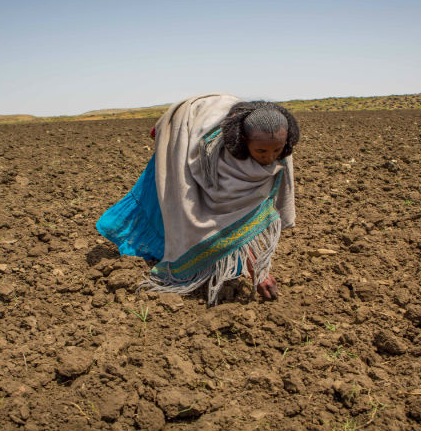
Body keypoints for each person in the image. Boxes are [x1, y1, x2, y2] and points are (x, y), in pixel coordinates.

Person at [96, 94, 299, 304]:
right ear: (244, 140)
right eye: (261, 151)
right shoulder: (217, 157)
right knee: (176, 201)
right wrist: (257, 270)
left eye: (277, 150)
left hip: (214, 116)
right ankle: (166, 247)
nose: (269, 158)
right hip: (187, 134)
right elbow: (224, 215)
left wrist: (257, 266)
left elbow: (246, 210)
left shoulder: (278, 145)